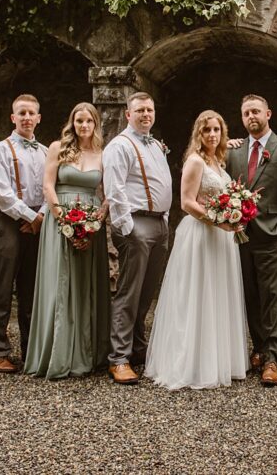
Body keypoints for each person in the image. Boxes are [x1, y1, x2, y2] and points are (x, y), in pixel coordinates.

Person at [145, 110, 247, 390]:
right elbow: (187, 202)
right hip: (201, 234)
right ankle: (192, 364)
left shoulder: (218, 161)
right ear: (198, 134)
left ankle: (216, 360)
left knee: (216, 294)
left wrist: (233, 217)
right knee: (197, 295)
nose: (212, 134)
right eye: (206, 130)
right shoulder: (195, 161)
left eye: (216, 129)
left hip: (221, 237)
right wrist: (219, 221)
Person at [24, 102, 111, 379]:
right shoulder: (57, 148)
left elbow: (109, 192)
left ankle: (88, 352)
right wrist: (64, 221)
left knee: (86, 283)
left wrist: (96, 221)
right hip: (59, 219)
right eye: (79, 121)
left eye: (89, 121)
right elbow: (48, 185)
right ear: (72, 123)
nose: (83, 125)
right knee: (60, 282)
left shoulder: (103, 154)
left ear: (96, 124)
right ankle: (57, 353)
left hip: (91, 221)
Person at [225, 94, 277, 386]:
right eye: (246, 113)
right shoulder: (234, 151)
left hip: (273, 234)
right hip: (240, 234)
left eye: (256, 111)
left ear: (268, 114)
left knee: (271, 295)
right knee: (250, 294)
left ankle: (272, 358)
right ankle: (258, 348)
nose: (251, 117)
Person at [102, 92, 172, 385]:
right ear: (128, 115)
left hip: (158, 224)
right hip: (136, 224)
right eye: (140, 110)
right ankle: (118, 358)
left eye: (150, 110)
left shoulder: (155, 144)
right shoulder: (119, 145)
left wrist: (164, 219)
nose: (146, 114)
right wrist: (127, 227)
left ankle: (137, 347)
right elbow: (115, 189)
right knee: (129, 292)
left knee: (146, 292)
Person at [0, 94, 46, 373]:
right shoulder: (0, 149)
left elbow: (52, 187)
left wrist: (41, 216)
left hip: (38, 222)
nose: (27, 117)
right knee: (2, 286)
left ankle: (31, 348)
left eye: (31, 113)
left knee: (31, 288)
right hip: (10, 220)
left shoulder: (46, 151)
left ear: (38, 118)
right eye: (22, 113)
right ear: (13, 117)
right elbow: (1, 192)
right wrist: (31, 217)